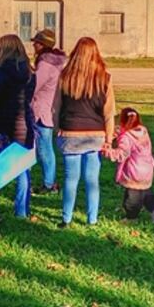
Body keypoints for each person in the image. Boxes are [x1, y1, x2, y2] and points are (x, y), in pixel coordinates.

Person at [53, 37, 115, 228]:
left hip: (70, 133)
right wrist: (109, 139)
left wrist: (57, 129)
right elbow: (109, 112)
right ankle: (92, 219)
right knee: (92, 180)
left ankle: (66, 218)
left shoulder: (65, 77)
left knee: (71, 179)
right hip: (95, 134)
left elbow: (56, 107)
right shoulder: (105, 78)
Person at [0, 34, 36, 218]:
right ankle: (22, 209)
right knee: (22, 167)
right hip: (24, 121)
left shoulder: (2, 71)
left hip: (5, 121)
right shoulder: (29, 71)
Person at [109, 107, 154, 224]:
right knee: (146, 193)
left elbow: (122, 154)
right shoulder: (143, 131)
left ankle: (131, 217)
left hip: (133, 171)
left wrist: (109, 152)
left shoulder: (126, 137)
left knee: (132, 198)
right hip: (147, 168)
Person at [30, 29, 67, 194]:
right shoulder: (57, 62)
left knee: (44, 148)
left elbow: (34, 86)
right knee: (45, 147)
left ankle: (49, 183)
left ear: (42, 45)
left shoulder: (45, 64)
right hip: (50, 109)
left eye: (36, 42)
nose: (33, 45)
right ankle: (49, 181)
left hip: (41, 111)